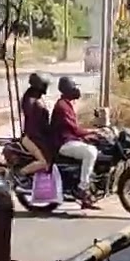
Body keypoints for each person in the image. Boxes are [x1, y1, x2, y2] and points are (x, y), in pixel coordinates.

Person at [49, 76, 99, 209]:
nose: (77, 90)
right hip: (63, 143)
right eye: (74, 87)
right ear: (68, 89)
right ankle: (82, 188)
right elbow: (74, 129)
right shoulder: (62, 106)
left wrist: (89, 134)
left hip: (70, 140)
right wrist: (91, 132)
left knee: (95, 148)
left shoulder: (66, 104)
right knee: (90, 152)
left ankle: (88, 193)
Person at [17, 72, 51, 176]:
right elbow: (36, 125)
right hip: (32, 138)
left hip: (34, 136)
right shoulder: (33, 102)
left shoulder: (31, 97)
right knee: (44, 162)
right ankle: (20, 174)